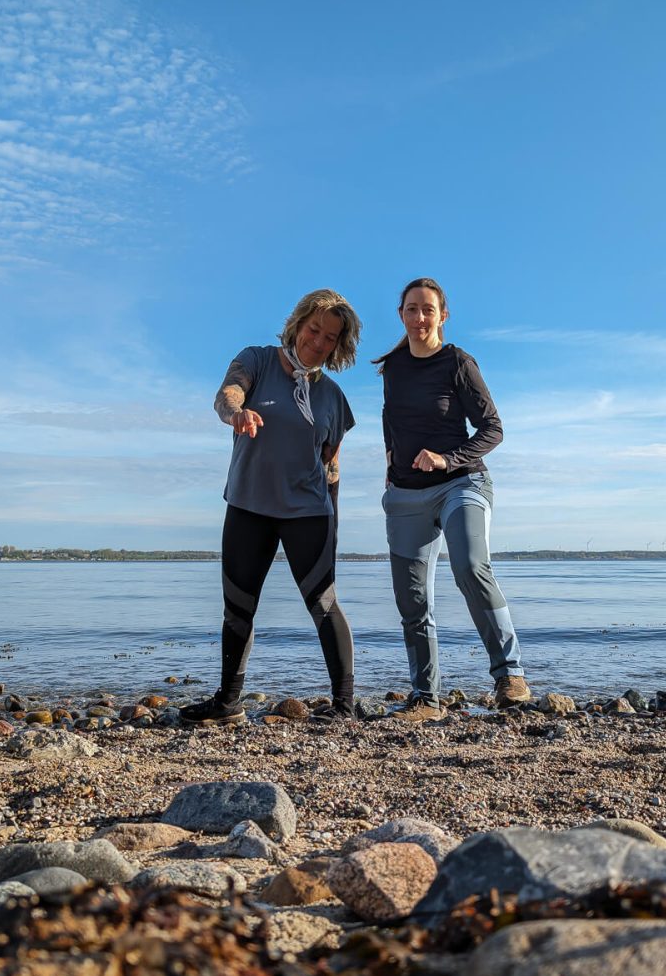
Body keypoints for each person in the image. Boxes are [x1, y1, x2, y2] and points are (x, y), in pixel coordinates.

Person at [181, 289, 361, 726]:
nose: (318, 342)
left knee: (324, 603)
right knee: (238, 607)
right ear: (298, 324)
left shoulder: (333, 397)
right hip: (249, 507)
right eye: (313, 330)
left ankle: (345, 706)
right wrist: (236, 414)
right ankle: (227, 703)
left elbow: (331, 465)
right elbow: (228, 394)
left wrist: (333, 522)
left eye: (329, 338)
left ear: (339, 345)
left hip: (309, 514)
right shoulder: (257, 360)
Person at [375, 277, 531, 722]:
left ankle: (509, 674)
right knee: (412, 599)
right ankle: (425, 698)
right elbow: (392, 422)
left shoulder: (458, 363)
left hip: (462, 483)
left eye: (428, 309)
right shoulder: (393, 366)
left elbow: (492, 428)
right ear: (401, 314)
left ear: (443, 315)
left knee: (469, 566)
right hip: (406, 494)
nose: (419, 317)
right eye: (411, 309)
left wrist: (447, 459)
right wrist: (391, 470)